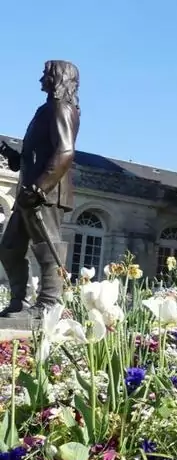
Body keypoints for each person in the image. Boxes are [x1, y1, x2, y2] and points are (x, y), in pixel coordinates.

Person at [0, 60, 80, 319]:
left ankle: (48, 304)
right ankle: (18, 302)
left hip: (45, 193)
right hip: (30, 193)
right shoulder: (45, 109)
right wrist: (13, 156)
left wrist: (39, 187)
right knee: (9, 248)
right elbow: (38, 154)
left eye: (45, 75)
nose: (40, 79)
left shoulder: (61, 108)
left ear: (58, 78)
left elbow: (65, 151)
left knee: (48, 247)